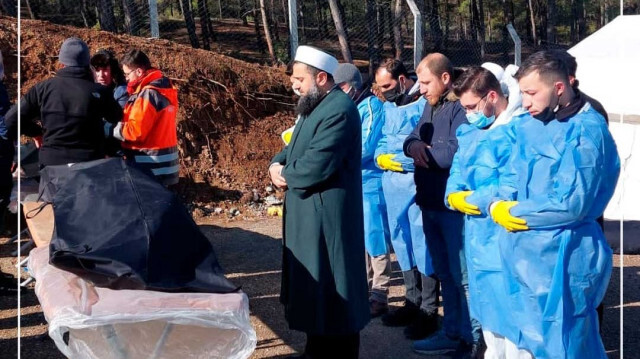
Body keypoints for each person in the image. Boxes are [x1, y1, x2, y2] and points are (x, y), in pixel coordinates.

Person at [489, 50, 619, 358]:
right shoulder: (537, 123)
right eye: (523, 94)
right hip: (530, 258)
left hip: (567, 257)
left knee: (569, 342)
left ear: (559, 87)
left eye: (532, 93)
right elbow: (513, 170)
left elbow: (572, 203)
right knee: (537, 341)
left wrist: (514, 211)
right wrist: (497, 200)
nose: (526, 102)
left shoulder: (587, 131)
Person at [268, 45, 369, 359]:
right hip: (312, 218)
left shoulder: (339, 109)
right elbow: (292, 145)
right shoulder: (314, 105)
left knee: (333, 290)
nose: (294, 84)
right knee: (318, 294)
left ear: (322, 78)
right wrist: (275, 163)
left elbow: (316, 165)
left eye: (300, 78)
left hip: (328, 222)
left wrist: (286, 174)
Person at [446, 66, 528, 358]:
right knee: (488, 314)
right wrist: (453, 196)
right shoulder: (470, 133)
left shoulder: (516, 131)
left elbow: (510, 186)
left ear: (491, 96)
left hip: (504, 238)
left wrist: (474, 199)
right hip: (478, 238)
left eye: (471, 106)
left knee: (514, 322)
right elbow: (456, 172)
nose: (468, 113)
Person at [403, 53, 482, 356]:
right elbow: (412, 137)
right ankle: (451, 332)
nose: (420, 88)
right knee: (445, 273)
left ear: (445, 78)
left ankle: (471, 339)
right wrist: (414, 147)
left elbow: (455, 152)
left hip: (452, 209)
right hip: (429, 201)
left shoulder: (460, 106)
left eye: (425, 82)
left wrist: (426, 152)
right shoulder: (431, 105)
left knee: (462, 276)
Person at [373, 58, 439, 341]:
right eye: (379, 87)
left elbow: (427, 147)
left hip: (413, 185)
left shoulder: (422, 105)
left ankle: (428, 309)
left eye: (387, 85)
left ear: (402, 80)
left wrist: (403, 161)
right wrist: (380, 157)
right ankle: (411, 302)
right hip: (391, 185)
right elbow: (379, 141)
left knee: (421, 243)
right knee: (401, 242)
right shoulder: (388, 107)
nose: (383, 92)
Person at [4, 37, 121, 171]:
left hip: (52, 165)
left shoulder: (42, 89)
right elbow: (117, 117)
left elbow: (10, 120)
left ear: (61, 63)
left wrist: (37, 132)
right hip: (90, 165)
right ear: (88, 64)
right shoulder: (99, 91)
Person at [333, 63, 392, 318]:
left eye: (342, 87)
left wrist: (334, 156)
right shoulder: (352, 107)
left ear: (354, 86)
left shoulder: (370, 107)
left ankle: (380, 292)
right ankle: (364, 287)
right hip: (355, 179)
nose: (339, 92)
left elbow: (365, 147)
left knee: (375, 235)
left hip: (370, 180)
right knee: (360, 235)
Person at [104, 49, 179, 186]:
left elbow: (135, 131)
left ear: (138, 72)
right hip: (165, 166)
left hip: (150, 165)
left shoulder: (148, 94)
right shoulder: (165, 88)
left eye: (127, 74)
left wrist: (109, 129)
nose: (126, 78)